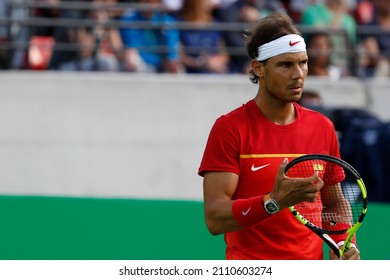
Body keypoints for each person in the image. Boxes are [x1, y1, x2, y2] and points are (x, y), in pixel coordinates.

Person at [198, 11, 361, 260]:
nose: (298, 74)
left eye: (303, 62)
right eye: (285, 65)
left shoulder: (322, 127)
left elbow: (334, 203)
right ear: (258, 68)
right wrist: (273, 202)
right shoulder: (229, 128)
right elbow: (215, 218)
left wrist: (342, 243)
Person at [119, 0, 183, 73]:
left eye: (150, 1)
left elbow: (172, 49)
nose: (144, 3)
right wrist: (156, 62)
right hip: (144, 64)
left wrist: (169, 60)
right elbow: (134, 47)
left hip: (165, 65)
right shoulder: (129, 20)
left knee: (177, 66)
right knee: (132, 57)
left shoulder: (167, 21)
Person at [176, 0, 229, 74]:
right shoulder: (180, 24)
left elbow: (224, 54)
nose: (210, 2)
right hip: (192, 74)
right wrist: (199, 63)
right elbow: (179, 56)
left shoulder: (216, 23)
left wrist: (214, 61)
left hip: (216, 72)